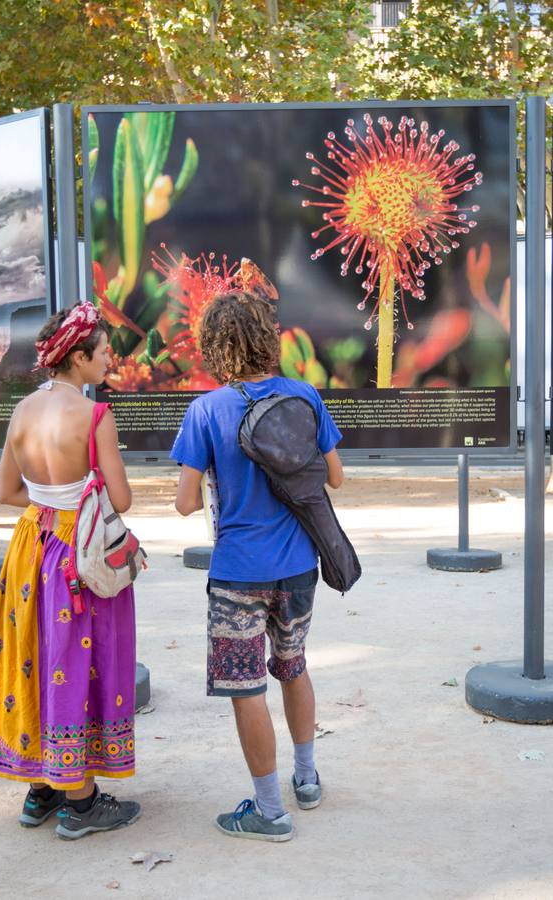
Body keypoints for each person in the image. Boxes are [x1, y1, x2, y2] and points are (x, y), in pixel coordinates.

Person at [171, 290, 344, 842]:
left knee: (246, 689)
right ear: (267, 339)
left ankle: (269, 812)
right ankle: (308, 778)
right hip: (298, 566)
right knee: (293, 664)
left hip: (238, 573)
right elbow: (334, 478)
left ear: (214, 348)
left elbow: (185, 503)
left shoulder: (206, 410)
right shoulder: (304, 395)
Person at [0, 301, 140, 840]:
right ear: (78, 357)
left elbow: (6, 492)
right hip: (77, 552)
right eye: (102, 349)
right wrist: (77, 497)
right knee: (79, 657)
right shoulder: (95, 416)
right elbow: (121, 498)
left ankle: (41, 788)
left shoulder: (23, 412)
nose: (109, 354)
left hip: (30, 546)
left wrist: (48, 499)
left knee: (38, 655)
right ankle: (82, 802)